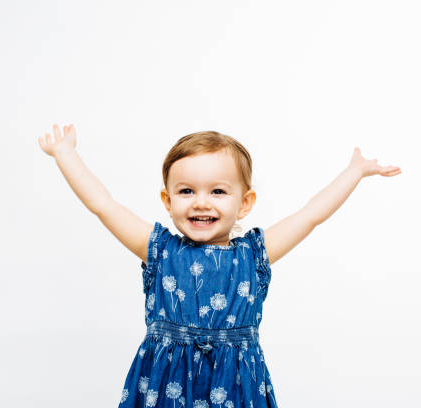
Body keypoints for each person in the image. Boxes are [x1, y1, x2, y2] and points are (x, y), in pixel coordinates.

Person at [38, 124, 401, 407]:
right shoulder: (159, 251)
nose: (200, 203)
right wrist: (65, 154)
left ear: (244, 203)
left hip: (236, 387)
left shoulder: (254, 255)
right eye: (186, 191)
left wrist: (354, 172)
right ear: (167, 200)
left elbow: (310, 216)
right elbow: (104, 205)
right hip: (166, 386)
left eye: (217, 191)